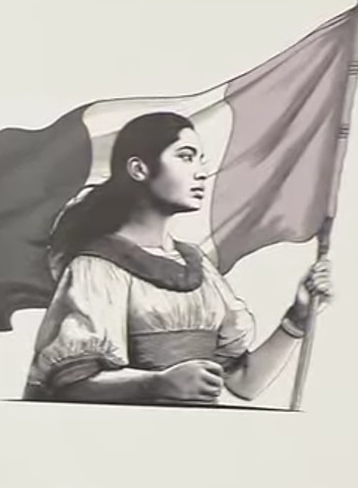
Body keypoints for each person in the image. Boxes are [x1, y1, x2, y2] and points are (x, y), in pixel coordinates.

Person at [25, 111, 333, 403]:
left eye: (201, 160)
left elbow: (244, 383)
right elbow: (70, 385)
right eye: (185, 157)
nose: (201, 172)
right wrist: (156, 383)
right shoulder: (97, 267)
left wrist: (297, 317)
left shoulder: (197, 266)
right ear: (139, 169)